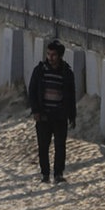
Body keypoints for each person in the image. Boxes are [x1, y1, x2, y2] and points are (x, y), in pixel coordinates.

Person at [27, 39, 77, 184]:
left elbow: (71, 95)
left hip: (60, 115)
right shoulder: (40, 71)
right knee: (43, 146)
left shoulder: (66, 73)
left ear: (60, 56)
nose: (50, 58)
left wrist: (72, 116)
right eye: (48, 54)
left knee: (60, 146)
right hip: (43, 115)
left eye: (53, 55)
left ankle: (58, 174)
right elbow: (32, 91)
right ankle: (45, 174)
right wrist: (35, 110)